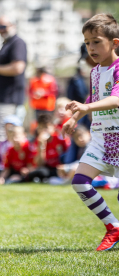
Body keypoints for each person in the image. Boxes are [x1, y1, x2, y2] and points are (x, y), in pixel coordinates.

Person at [62, 14, 119, 251]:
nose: (91, 47)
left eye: (96, 41)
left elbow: (115, 99)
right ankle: (113, 228)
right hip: (100, 138)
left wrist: (86, 108)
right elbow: (93, 99)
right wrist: (75, 116)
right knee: (80, 181)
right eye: (87, 43)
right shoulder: (95, 71)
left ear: (115, 43)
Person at [0, 15, 27, 143]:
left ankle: (5, 163)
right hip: (3, 98)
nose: (0, 30)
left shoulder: (17, 42)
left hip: (10, 98)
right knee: (3, 135)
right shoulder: (7, 44)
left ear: (13, 26)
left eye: (3, 26)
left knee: (3, 135)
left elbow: (18, 67)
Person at [25, 114, 70, 183]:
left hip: (60, 168)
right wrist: (41, 146)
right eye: (41, 128)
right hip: (46, 169)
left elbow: (67, 156)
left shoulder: (60, 140)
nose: (44, 130)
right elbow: (39, 164)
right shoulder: (37, 141)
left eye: (46, 127)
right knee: (41, 172)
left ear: (53, 127)